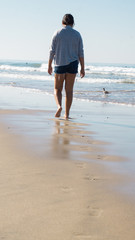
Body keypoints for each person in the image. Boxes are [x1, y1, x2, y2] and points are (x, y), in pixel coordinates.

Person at [48, 14, 85, 119]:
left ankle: (59, 106)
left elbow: (52, 51)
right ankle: (67, 114)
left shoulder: (57, 33)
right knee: (69, 91)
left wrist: (49, 65)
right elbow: (80, 52)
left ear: (62, 22)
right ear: (73, 23)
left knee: (57, 89)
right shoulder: (77, 34)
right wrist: (82, 67)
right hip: (73, 64)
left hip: (60, 64)